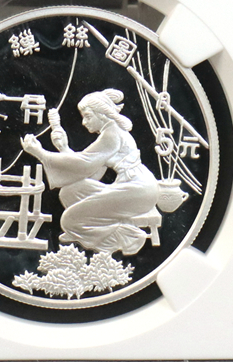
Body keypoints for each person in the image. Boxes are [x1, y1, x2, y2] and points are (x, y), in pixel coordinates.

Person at [20, 89, 159, 256]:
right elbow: (90, 172)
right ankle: (85, 231)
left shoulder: (111, 134)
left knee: (68, 220)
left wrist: (41, 154)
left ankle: (129, 237)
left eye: (88, 116)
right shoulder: (110, 133)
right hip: (134, 188)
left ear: (102, 115)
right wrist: (63, 147)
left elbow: (83, 164)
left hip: (138, 192)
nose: (84, 122)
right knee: (70, 192)